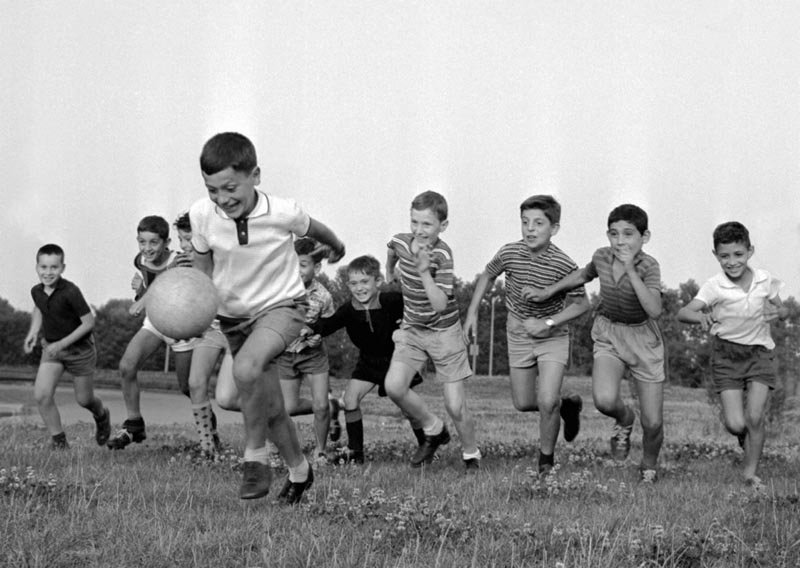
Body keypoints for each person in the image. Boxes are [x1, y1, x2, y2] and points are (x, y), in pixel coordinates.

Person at [189, 132, 345, 503]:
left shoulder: (282, 211)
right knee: (272, 408)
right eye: (213, 190)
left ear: (254, 175)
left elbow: (316, 229)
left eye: (230, 188)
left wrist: (337, 246)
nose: (222, 200)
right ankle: (299, 472)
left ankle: (255, 458)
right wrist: (194, 303)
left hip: (282, 308)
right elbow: (200, 268)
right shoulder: (201, 215)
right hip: (234, 320)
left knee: (246, 370)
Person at [528, 204, 664, 483]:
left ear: (644, 237)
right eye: (614, 234)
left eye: (628, 234)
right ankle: (625, 420)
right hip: (609, 332)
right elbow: (581, 275)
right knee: (603, 400)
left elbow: (654, 309)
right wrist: (548, 291)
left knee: (653, 422)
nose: (620, 241)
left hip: (643, 339)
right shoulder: (602, 257)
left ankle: (648, 466)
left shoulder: (649, 266)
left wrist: (630, 268)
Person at [464, 195, 590, 474]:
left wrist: (547, 323)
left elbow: (582, 304)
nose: (530, 229)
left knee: (546, 400)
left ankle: (546, 463)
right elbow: (487, 275)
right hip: (518, 331)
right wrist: (472, 312)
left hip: (552, 336)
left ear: (554, 228)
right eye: (525, 222)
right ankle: (567, 406)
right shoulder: (510, 252)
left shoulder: (564, 264)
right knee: (522, 403)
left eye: (538, 223)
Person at [677, 222, 788, 488]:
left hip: (760, 354)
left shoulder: (764, 280)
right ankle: (742, 437)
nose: (732, 262)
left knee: (755, 417)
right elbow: (684, 313)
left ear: (750, 251)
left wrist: (779, 313)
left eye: (738, 254)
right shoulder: (714, 286)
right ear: (715, 255)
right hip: (726, 356)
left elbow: (782, 309)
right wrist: (701, 316)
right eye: (724, 256)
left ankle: (750, 474)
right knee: (737, 424)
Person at [384, 190, 480, 469]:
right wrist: (390, 271)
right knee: (394, 386)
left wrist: (424, 271)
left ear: (442, 226)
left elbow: (439, 304)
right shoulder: (402, 241)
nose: (419, 230)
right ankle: (434, 428)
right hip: (413, 328)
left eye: (427, 224)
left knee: (455, 405)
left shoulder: (442, 255)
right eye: (414, 222)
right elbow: (392, 248)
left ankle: (471, 454)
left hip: (444, 332)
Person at [312, 255, 426, 464]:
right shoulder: (348, 310)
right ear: (348, 285)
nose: (359, 288)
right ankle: (356, 452)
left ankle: (426, 446)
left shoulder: (392, 301)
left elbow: (417, 310)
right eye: (354, 283)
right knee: (350, 399)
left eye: (365, 282)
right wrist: (305, 324)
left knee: (408, 410)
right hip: (368, 362)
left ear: (378, 281)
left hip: (396, 362)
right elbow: (326, 326)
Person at [106, 215, 196, 450]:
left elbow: (165, 285)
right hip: (156, 322)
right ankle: (134, 424)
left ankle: (210, 432)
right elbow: (149, 287)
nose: (147, 248)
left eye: (153, 242)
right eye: (142, 242)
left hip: (181, 326)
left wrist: (142, 299)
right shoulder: (141, 260)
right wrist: (141, 292)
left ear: (167, 242)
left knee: (188, 387)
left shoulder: (180, 260)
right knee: (127, 366)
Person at [23, 244, 110, 449]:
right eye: (43, 267)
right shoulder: (36, 291)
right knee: (42, 395)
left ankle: (102, 415)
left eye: (54, 267)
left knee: (84, 399)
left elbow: (88, 323)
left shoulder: (70, 291)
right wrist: (33, 333)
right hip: (52, 350)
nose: (48, 272)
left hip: (80, 351)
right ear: (37, 267)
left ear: (62, 268)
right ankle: (59, 442)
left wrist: (62, 343)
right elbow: (39, 308)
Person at [277, 237, 339, 464]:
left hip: (313, 356)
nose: (297, 270)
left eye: (302, 265)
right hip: (285, 355)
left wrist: (318, 336)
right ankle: (332, 406)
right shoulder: (280, 290)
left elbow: (328, 324)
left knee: (320, 406)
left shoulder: (323, 296)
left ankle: (320, 451)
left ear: (317, 267)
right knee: (289, 408)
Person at [174, 212, 228, 457]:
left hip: (238, 326)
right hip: (211, 329)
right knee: (195, 383)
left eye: (190, 239)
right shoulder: (181, 263)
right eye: (181, 240)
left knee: (239, 394)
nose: (185, 246)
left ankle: (267, 445)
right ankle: (208, 448)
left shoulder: (221, 257)